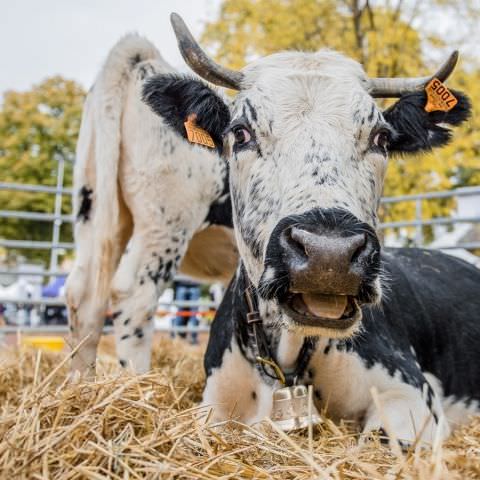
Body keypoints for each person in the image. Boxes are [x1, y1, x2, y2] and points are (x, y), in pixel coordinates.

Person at [171, 275, 200, 345]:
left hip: (194, 285)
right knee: (180, 314)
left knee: (193, 314)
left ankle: (192, 338)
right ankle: (176, 337)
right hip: (182, 284)